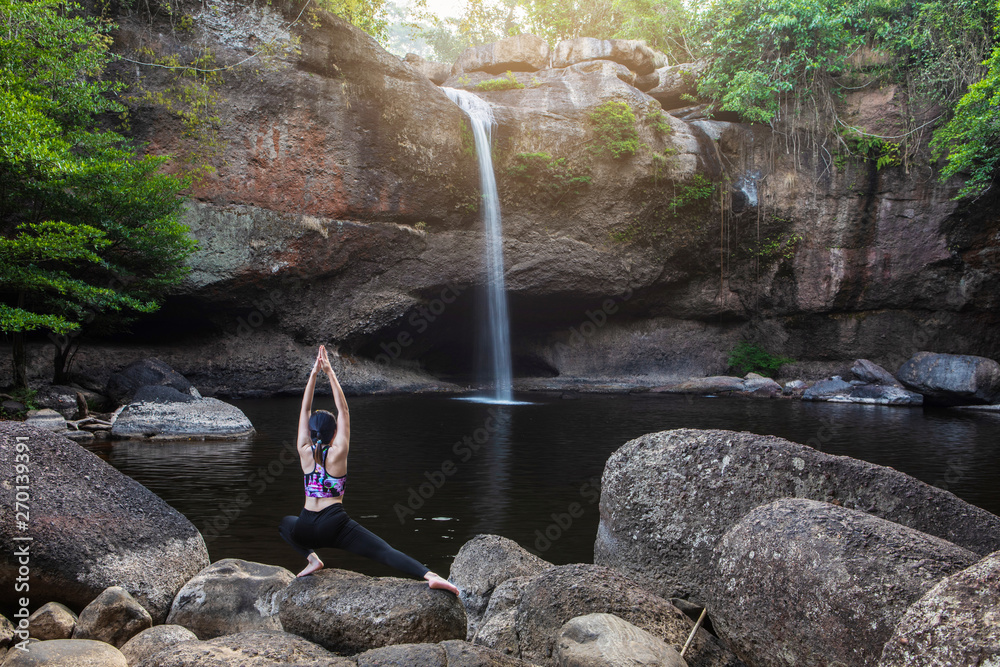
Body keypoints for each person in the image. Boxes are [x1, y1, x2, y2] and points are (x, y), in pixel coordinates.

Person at [279, 345, 459, 594]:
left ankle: (312, 559)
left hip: (306, 527)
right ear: (333, 434)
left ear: (311, 433)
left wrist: (313, 374)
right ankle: (430, 575)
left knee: (286, 523)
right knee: (383, 551)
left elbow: (305, 410)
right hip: (335, 524)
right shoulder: (338, 451)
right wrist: (329, 372)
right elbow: (344, 411)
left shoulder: (304, 451)